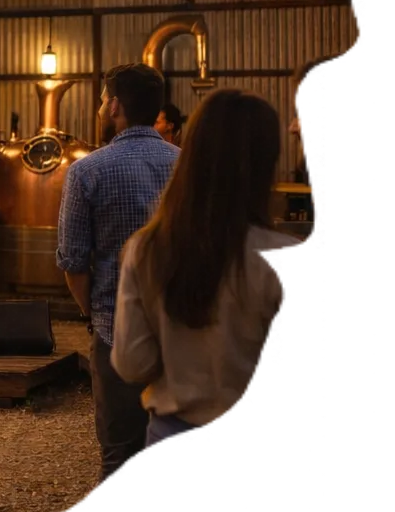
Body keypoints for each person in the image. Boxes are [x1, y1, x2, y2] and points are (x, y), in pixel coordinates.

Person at [112, 89, 299, 449]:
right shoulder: (284, 258)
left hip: (171, 430)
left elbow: (132, 363)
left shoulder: (145, 250)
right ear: (265, 164)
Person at [56, 62, 180, 486]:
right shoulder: (187, 166)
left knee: (118, 456)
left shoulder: (87, 170)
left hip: (114, 330)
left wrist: (93, 313)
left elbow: (73, 262)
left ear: (113, 106)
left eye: (101, 99)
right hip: (181, 328)